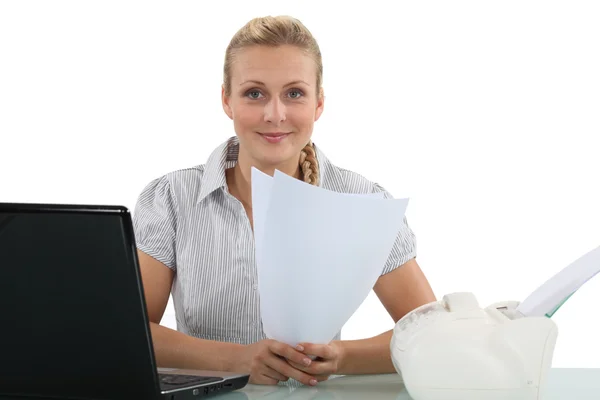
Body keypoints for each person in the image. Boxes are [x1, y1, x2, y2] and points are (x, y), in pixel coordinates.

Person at [133, 15, 436, 387]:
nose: (275, 115)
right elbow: (131, 332)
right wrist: (240, 359)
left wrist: (341, 357)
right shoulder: (171, 199)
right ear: (227, 100)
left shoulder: (363, 201)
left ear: (318, 104)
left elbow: (430, 331)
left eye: (294, 93)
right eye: (254, 93)